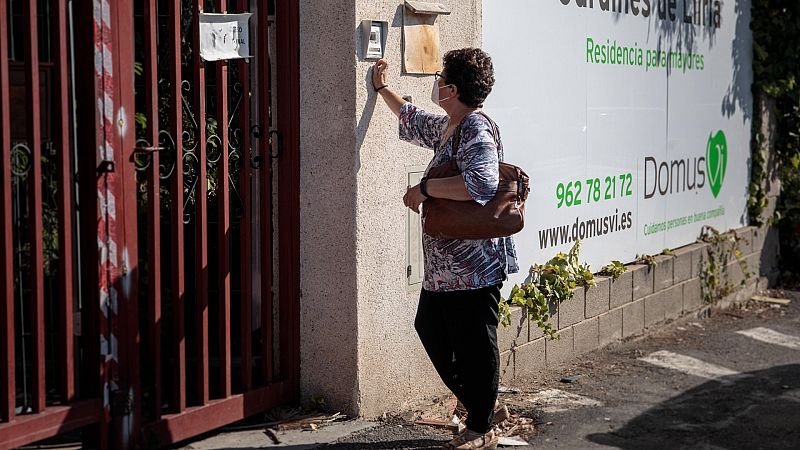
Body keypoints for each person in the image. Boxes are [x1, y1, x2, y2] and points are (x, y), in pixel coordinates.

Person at [372, 48, 519, 450]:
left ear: (451, 88)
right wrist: (382, 88)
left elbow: (482, 185)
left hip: (473, 266)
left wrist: (423, 189)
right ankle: (482, 405)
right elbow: (412, 119)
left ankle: (481, 427)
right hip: (444, 268)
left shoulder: (475, 128)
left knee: (474, 344)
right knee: (431, 330)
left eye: (440, 76)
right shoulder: (451, 126)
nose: (435, 81)